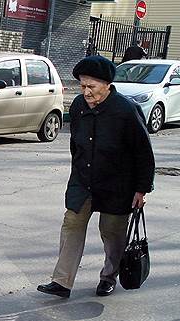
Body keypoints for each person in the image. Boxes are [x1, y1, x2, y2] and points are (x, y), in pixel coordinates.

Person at [37, 55, 155, 299]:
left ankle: (109, 277)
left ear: (107, 85)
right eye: (82, 86)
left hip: (117, 184)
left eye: (91, 86)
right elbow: (75, 144)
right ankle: (61, 282)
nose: (86, 92)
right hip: (83, 180)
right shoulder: (78, 106)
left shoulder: (126, 110)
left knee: (112, 232)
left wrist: (141, 189)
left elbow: (143, 152)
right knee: (72, 224)